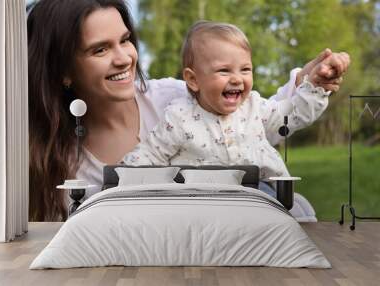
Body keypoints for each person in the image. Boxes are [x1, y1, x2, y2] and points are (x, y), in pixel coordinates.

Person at [27, 0, 350, 221]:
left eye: (125, 41)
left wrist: (311, 80)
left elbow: (253, 117)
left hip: (246, 205)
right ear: (64, 72)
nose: (124, 58)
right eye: (100, 49)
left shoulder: (174, 97)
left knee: (299, 211)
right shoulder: (66, 165)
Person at [122, 20, 328, 183]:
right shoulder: (179, 117)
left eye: (245, 69)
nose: (237, 78)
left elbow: (292, 114)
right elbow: (151, 153)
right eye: (224, 70)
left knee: (284, 216)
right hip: (202, 201)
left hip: (260, 192)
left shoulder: (254, 108)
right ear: (193, 80)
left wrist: (316, 87)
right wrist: (121, 178)